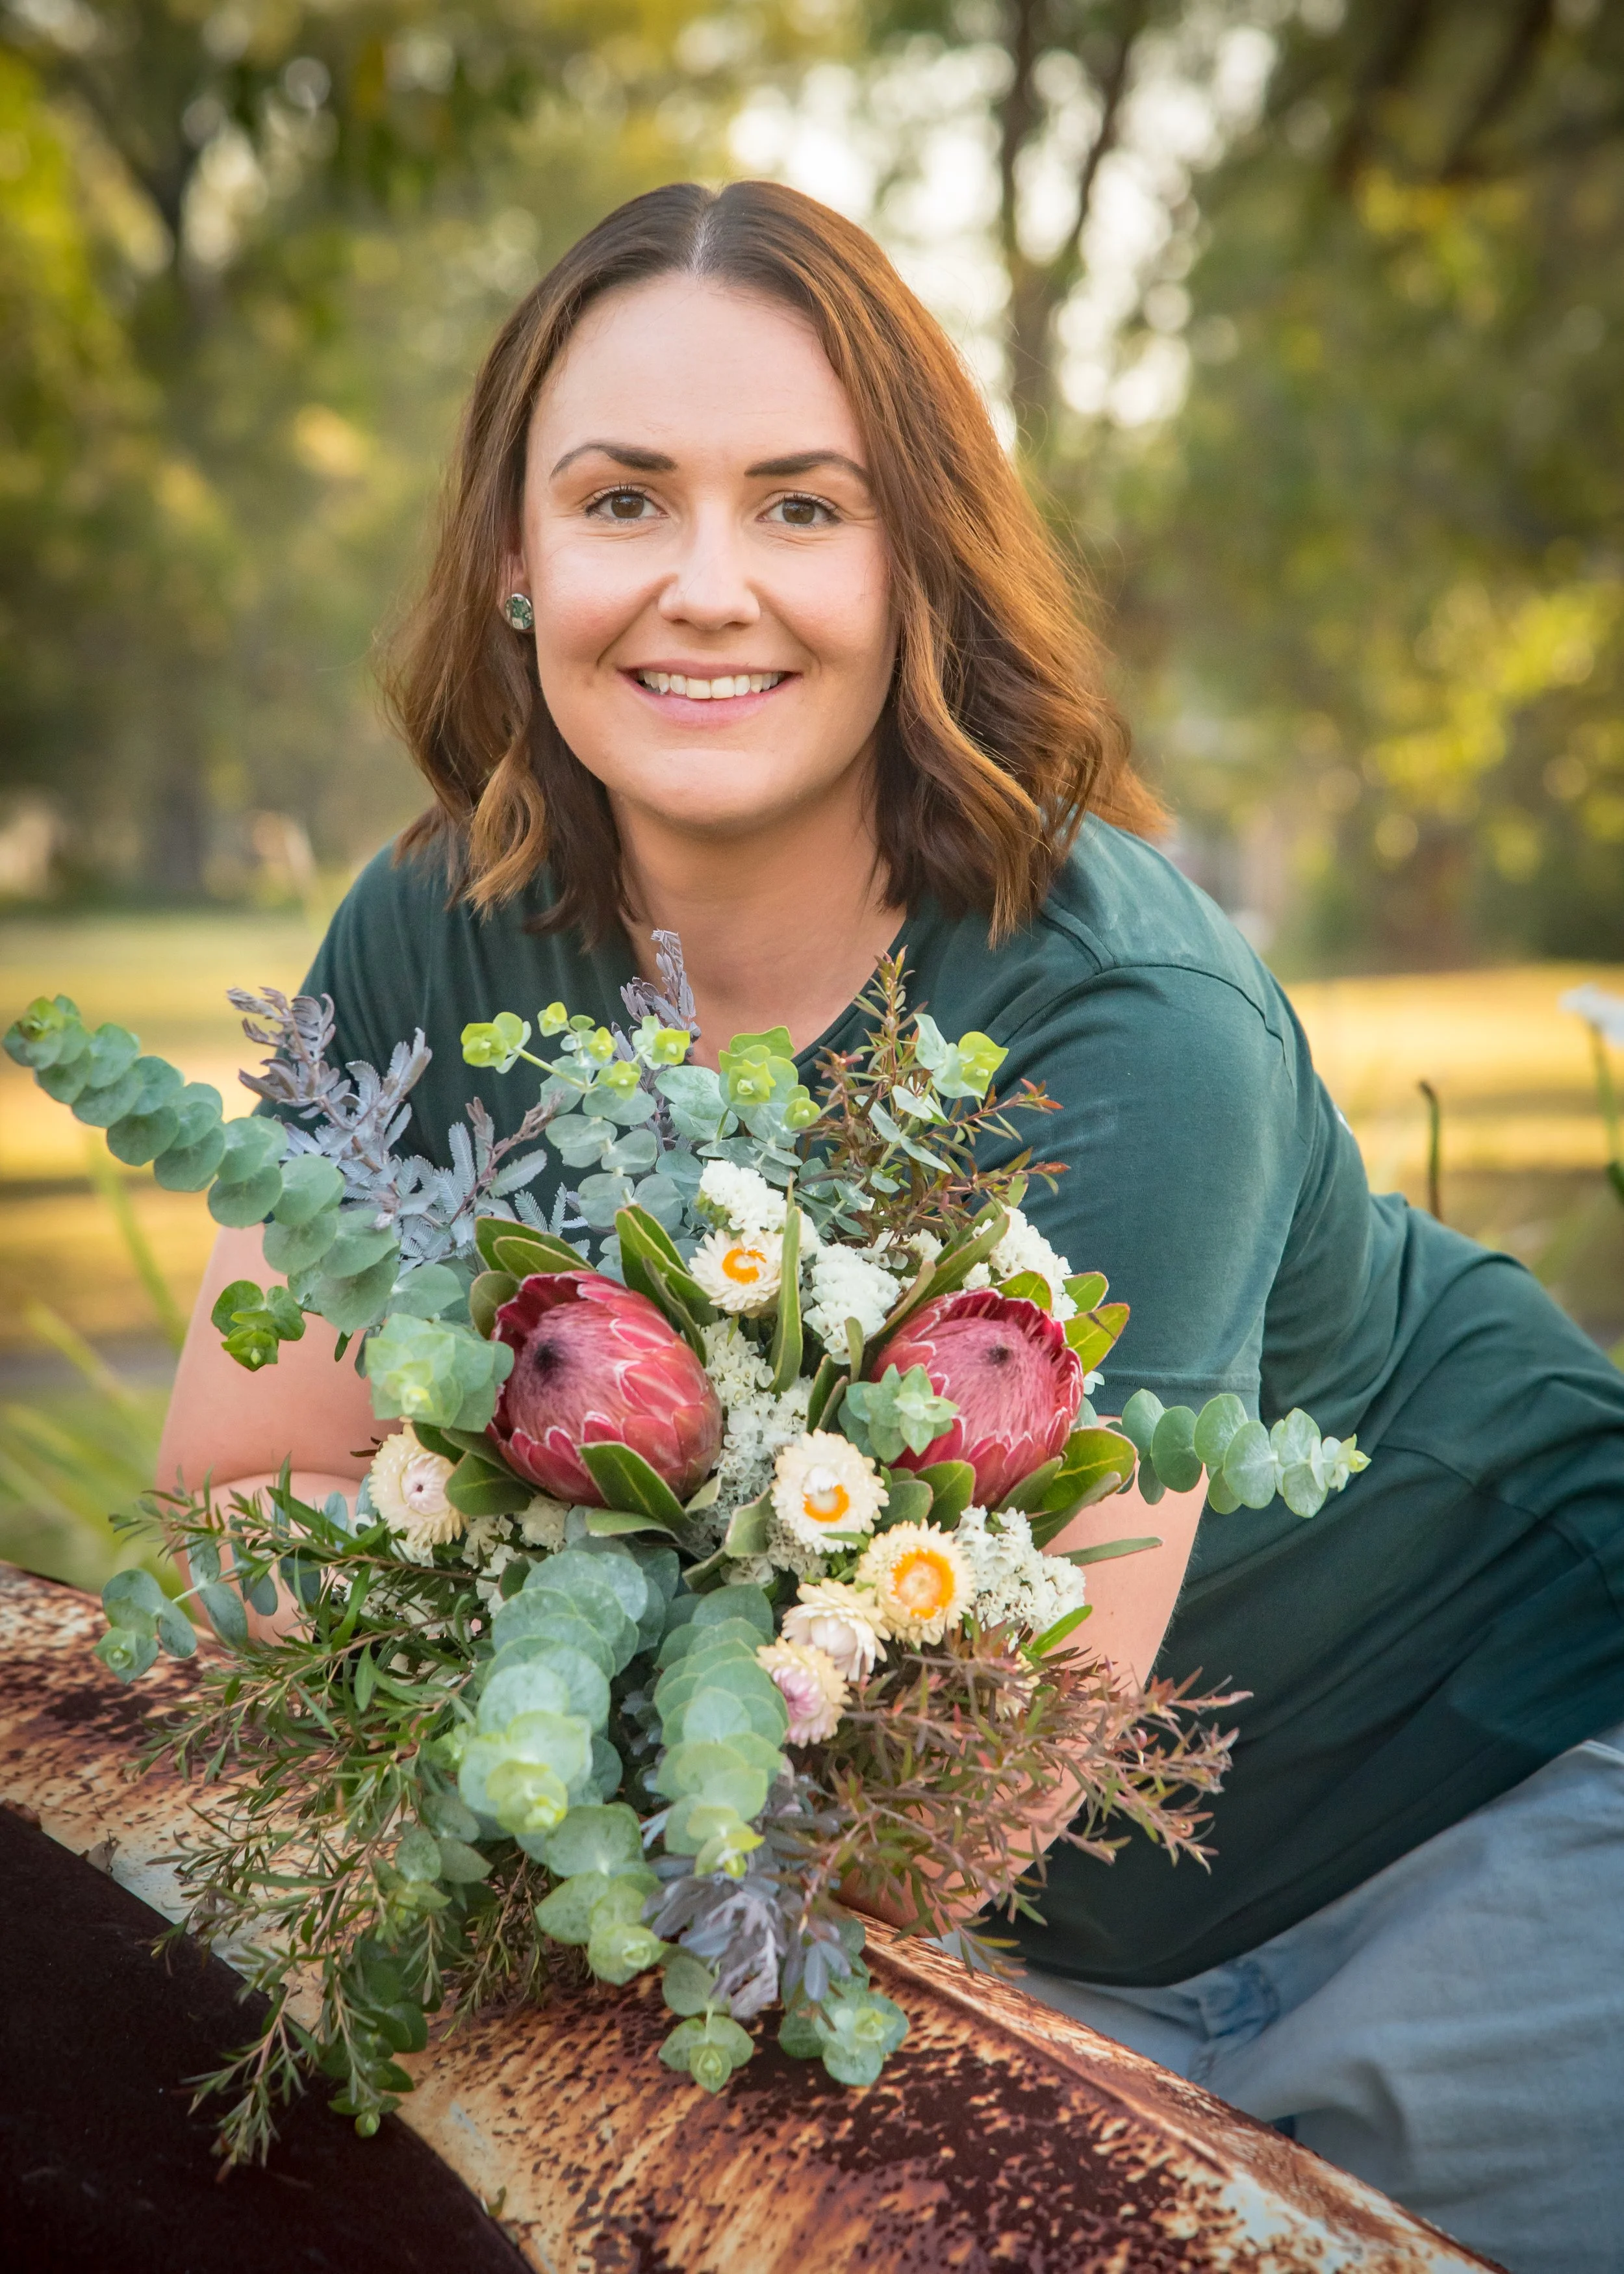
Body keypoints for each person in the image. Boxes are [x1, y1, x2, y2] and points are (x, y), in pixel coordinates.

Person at [157, 181, 1624, 2273]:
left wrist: (483, 1664)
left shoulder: (1124, 1020)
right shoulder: (431, 930)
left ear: (916, 557)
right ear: (513, 558)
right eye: (622, 499)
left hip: (1488, 1797)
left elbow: (963, 1791)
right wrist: (559, 1681)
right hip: (979, 1949)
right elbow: (235, 1495)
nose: (705, 587)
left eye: (801, 508)